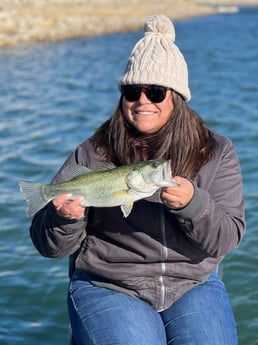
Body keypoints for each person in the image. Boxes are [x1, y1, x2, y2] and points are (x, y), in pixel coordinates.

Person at [29, 14, 245, 345]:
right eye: (133, 91)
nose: (142, 100)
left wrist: (193, 205)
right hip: (109, 283)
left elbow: (228, 238)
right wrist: (62, 219)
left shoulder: (216, 151)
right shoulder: (92, 152)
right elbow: (49, 246)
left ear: (177, 97)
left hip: (193, 282)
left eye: (156, 92)